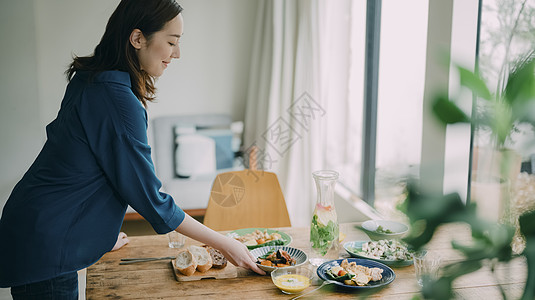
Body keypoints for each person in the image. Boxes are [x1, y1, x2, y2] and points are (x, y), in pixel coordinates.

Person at [0, 0, 264, 298]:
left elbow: (86, 164)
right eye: (171, 42)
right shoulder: (117, 101)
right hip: (49, 241)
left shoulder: (90, 78)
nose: (177, 53)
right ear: (137, 38)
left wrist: (96, 236)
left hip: (35, 224)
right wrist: (225, 243)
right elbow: (152, 200)